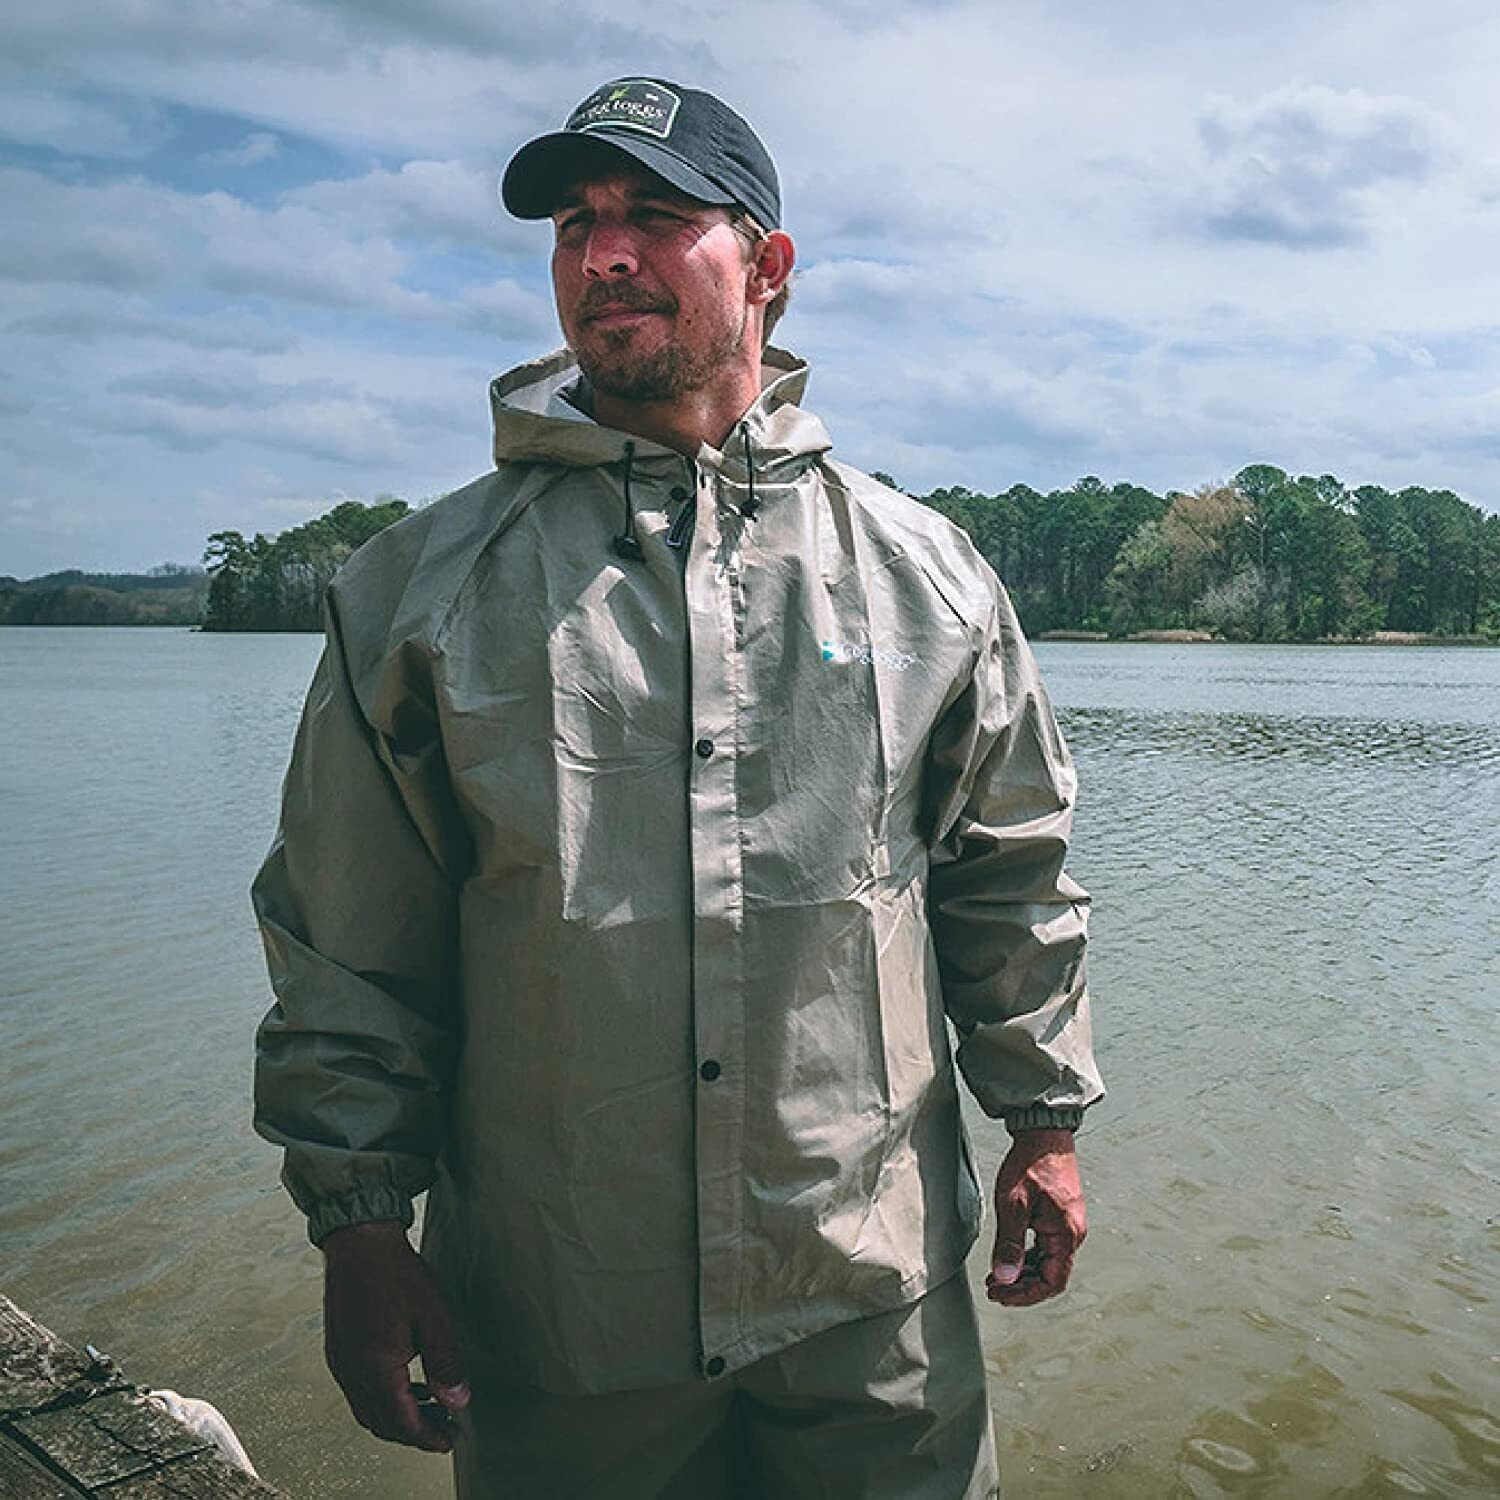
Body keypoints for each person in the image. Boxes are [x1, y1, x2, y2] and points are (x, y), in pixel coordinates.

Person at [252, 75, 1103, 1500]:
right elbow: (347, 941)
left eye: (654, 214)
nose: (604, 254)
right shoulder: (416, 593)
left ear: (767, 267)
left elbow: (1008, 873)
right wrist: (359, 1224)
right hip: (561, 1310)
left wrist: (1047, 1122)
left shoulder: (928, 574)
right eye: (575, 224)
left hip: (869, 1294)